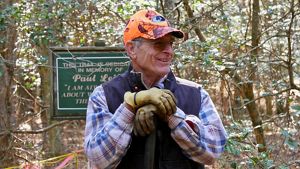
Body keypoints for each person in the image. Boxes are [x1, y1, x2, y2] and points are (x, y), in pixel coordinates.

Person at [84, 9, 227, 169]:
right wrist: (129, 108)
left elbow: (213, 152)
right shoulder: (104, 94)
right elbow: (97, 160)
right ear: (131, 49)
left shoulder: (195, 93)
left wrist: (171, 114)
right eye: (158, 44)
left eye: (170, 44)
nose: (169, 51)